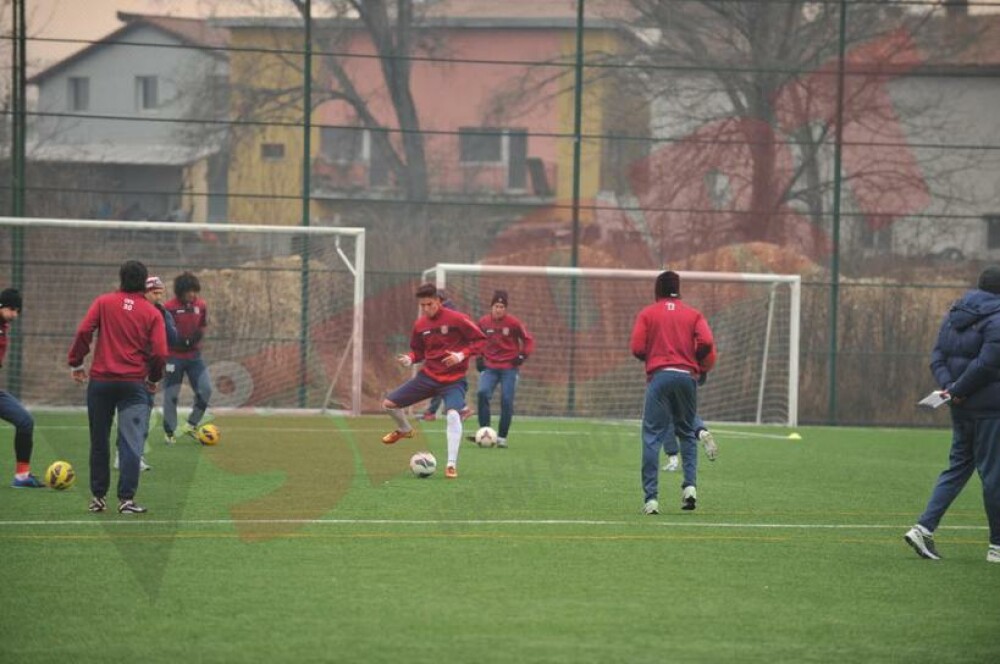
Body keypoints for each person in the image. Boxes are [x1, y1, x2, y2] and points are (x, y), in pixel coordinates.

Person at [904, 266, 1000, 564]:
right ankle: (997, 546)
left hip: (960, 406)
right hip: (990, 410)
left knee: (957, 469)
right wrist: (958, 388)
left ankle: (923, 528)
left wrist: (951, 389)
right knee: (994, 476)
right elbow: (986, 365)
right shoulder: (996, 319)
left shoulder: (955, 314)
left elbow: (937, 357)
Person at [68, 260, 167, 514]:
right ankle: (126, 500)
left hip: (100, 382)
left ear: (121, 278)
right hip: (133, 385)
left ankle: (98, 498)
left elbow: (83, 331)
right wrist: (153, 379)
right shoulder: (152, 312)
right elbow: (159, 353)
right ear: (144, 282)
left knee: (99, 440)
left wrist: (76, 362)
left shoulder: (103, 302)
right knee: (130, 443)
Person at [630, 270, 715, 515]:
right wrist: (695, 360)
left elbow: (636, 347)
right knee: (687, 432)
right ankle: (689, 487)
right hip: (687, 377)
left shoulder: (648, 313)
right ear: (679, 289)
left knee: (651, 438)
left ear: (658, 290)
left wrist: (653, 356)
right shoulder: (694, 314)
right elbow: (707, 342)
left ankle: (652, 500)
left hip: (660, 376)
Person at [381, 283, 486, 479]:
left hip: (453, 380)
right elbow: (419, 352)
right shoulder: (420, 325)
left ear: (438, 301)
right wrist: (410, 359)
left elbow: (481, 341)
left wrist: (461, 355)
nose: (426, 309)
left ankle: (451, 465)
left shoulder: (457, 319)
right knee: (389, 404)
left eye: (430, 304)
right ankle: (404, 429)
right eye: (423, 306)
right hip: (428, 377)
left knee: (453, 415)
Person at [112, 276, 178, 472]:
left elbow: (172, 339)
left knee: (145, 412)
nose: (158, 296)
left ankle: (135, 455)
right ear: (145, 292)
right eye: (154, 292)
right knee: (132, 413)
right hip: (131, 370)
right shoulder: (133, 310)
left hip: (150, 372)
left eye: (160, 293)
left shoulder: (162, 312)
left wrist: (164, 316)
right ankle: (121, 454)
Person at [468, 290, 534, 449]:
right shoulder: (483, 322)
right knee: (482, 393)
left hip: (509, 368)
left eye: (502, 306)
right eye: (496, 306)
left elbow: (528, 340)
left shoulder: (513, 323)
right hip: (490, 367)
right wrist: (478, 357)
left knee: (506, 400)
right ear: (491, 307)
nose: (499, 309)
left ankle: (502, 437)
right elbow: (475, 340)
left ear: (506, 308)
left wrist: (522, 356)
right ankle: (485, 432)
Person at [1, 289, 45, 488]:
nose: (15, 315)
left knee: (25, 421)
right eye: (12, 309)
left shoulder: (4, 326)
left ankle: (22, 477)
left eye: (17, 311)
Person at [163, 271, 212, 444]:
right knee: (171, 394)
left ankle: (192, 424)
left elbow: (203, 326)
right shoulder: (168, 307)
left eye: (195, 291)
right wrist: (179, 341)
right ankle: (169, 431)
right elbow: (165, 331)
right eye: (189, 291)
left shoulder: (201, 305)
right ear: (180, 291)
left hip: (194, 357)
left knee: (205, 389)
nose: (193, 294)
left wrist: (196, 337)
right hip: (173, 357)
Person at [421, 290, 473, 423]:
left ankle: (456, 409)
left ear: (439, 300)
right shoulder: (442, 312)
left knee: (443, 382)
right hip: (447, 354)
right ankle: (459, 408)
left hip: (449, 354)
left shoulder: (448, 312)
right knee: (442, 382)